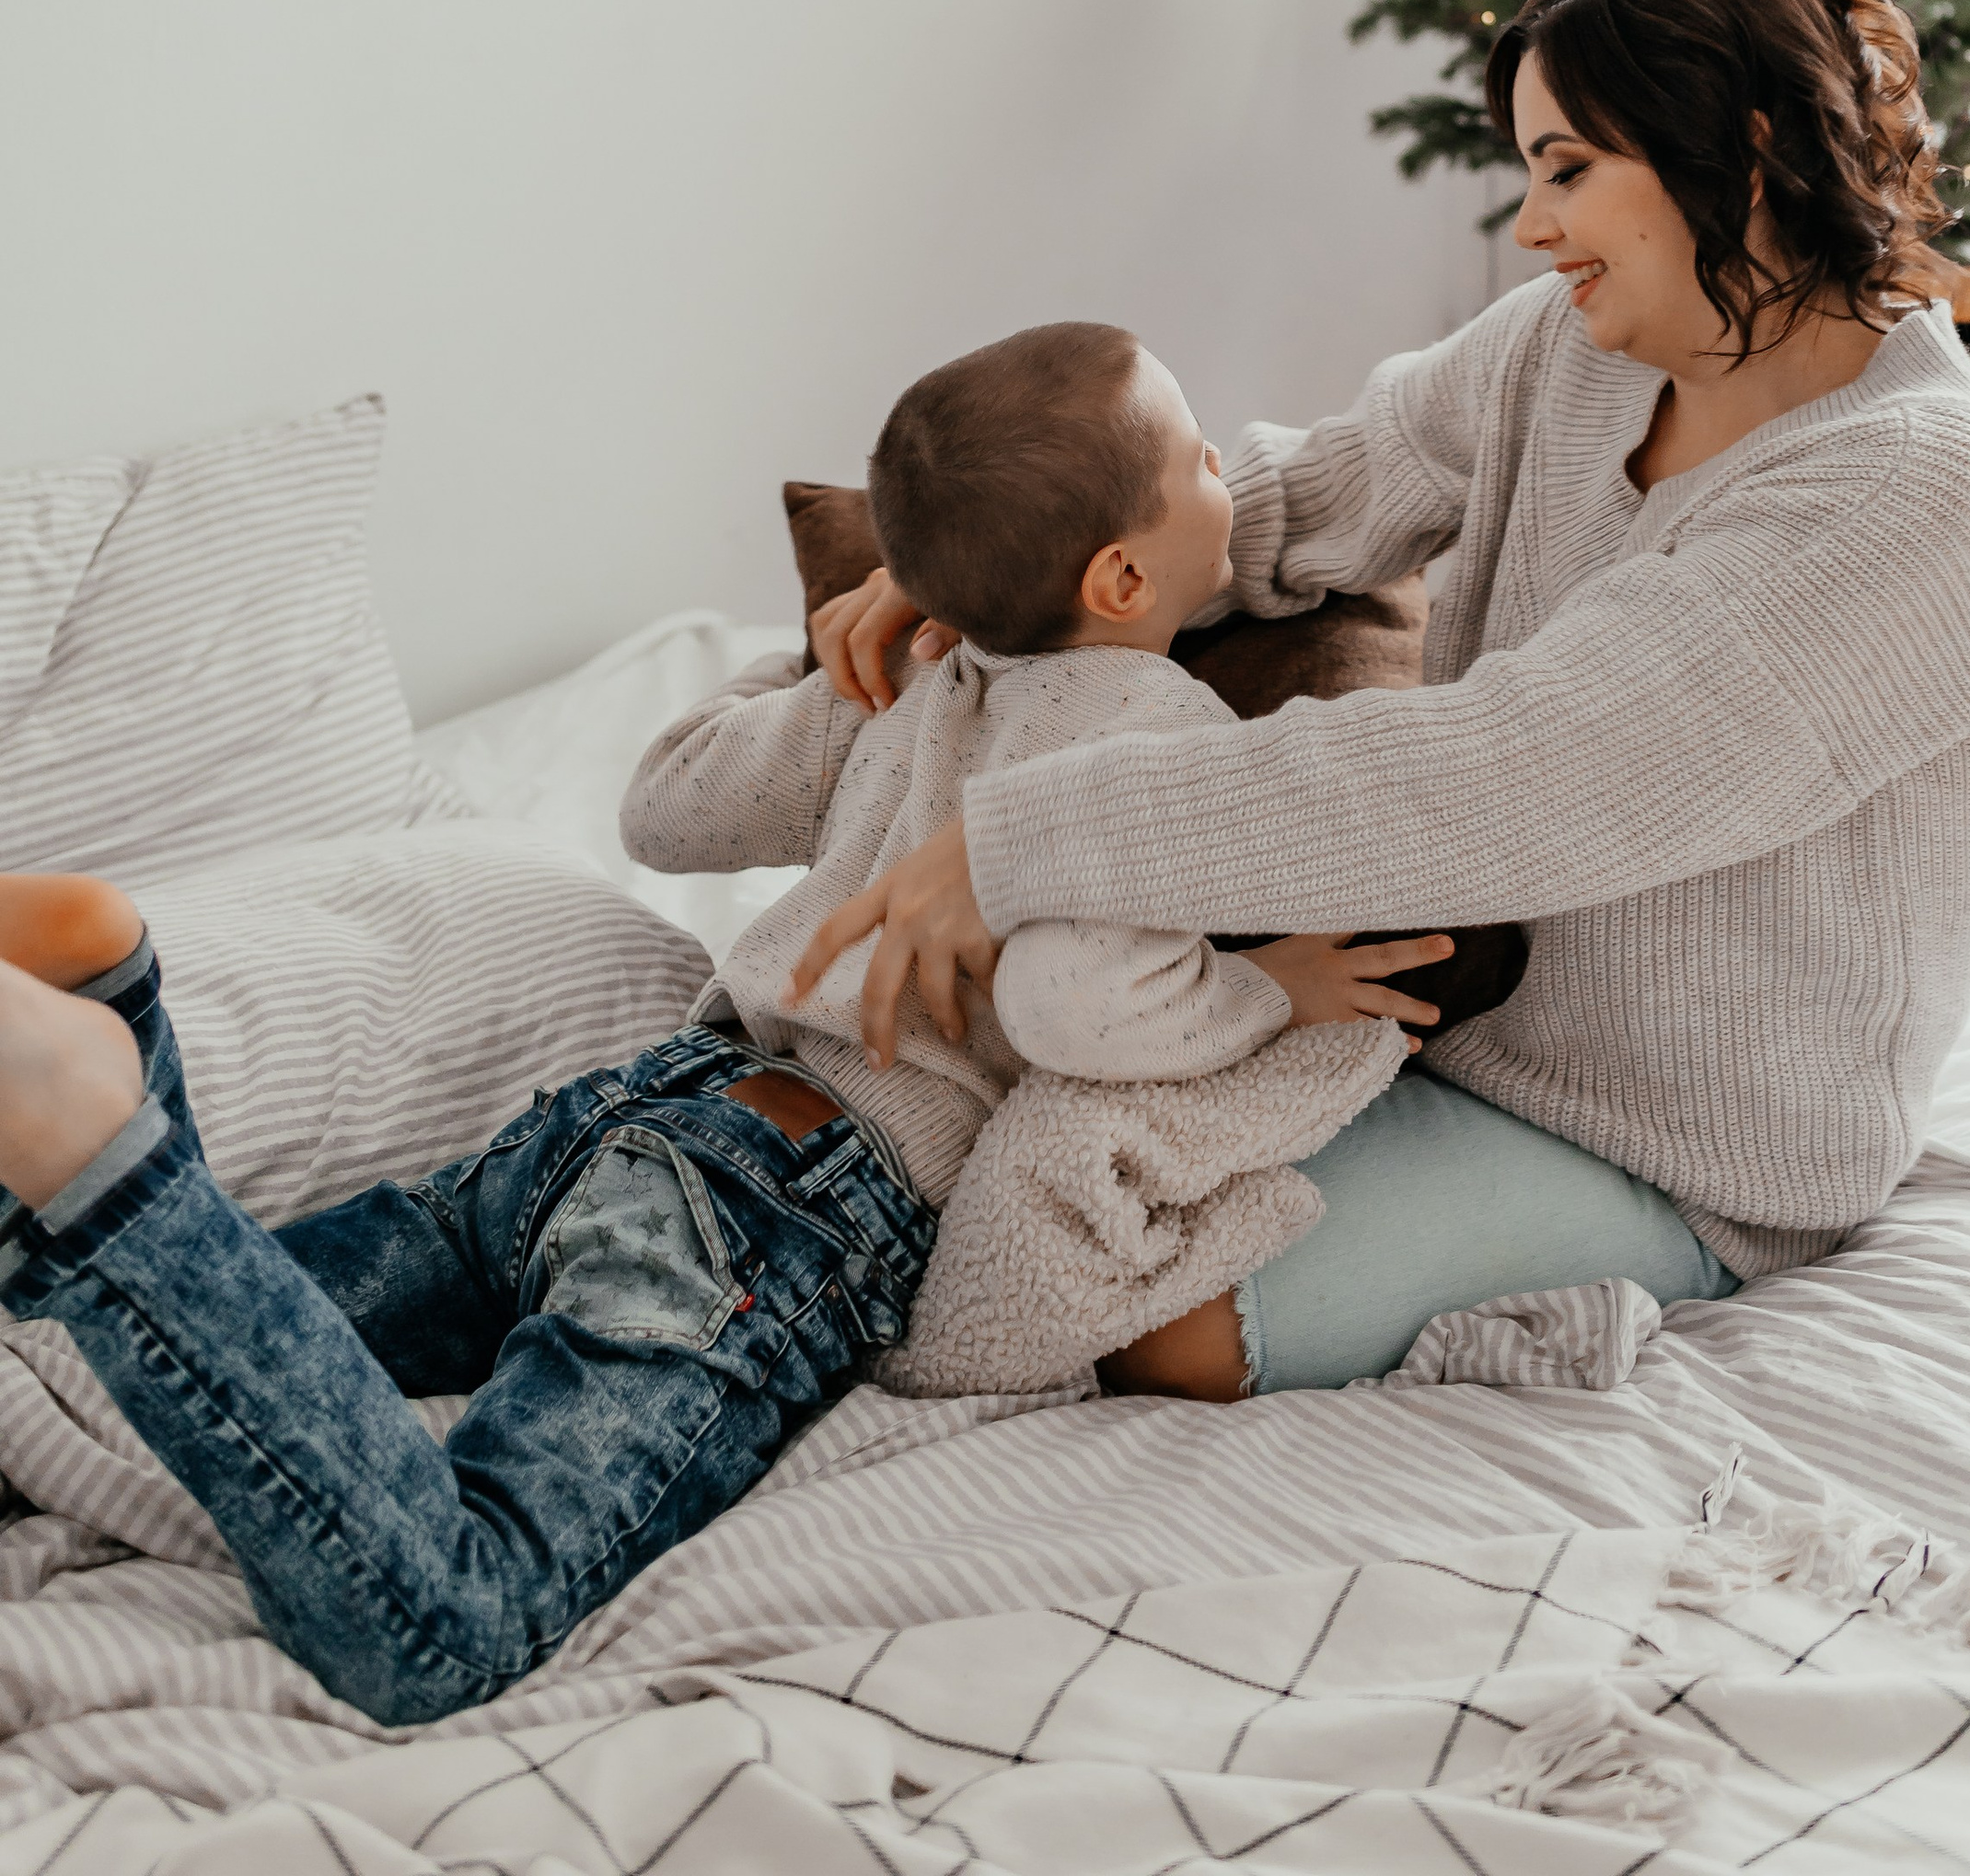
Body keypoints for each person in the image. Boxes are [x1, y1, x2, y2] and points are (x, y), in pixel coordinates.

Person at [0, 324, 1437, 1722]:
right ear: (1125, 575)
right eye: (1200, 456)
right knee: (448, 1622)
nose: (1225, 472)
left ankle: (123, 1005)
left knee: (88, 1386)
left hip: (617, 1120)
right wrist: (1272, 990)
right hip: (783, 1213)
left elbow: (669, 807)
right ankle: (99, 1135)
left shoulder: (919, 680)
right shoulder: (1154, 729)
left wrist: (816, 674)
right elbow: (1076, 1004)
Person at [793, 0, 1970, 1395]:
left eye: (1570, 171)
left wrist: (1016, 841)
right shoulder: (1569, 350)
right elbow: (1306, 497)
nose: (1535, 227)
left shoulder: (1919, 489)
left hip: (1677, 1146)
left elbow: (1506, 781)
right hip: (1422, 1035)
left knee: (1125, 1313)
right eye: (1534, 172)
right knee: (944, 1161)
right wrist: (993, 580)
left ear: (1748, 148)